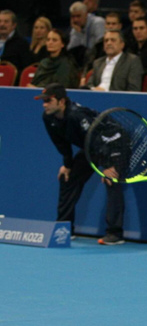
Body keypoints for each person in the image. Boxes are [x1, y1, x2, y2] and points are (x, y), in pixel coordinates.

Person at [36, 83, 126, 245]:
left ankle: (115, 233)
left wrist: (109, 165)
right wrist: (68, 164)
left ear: (61, 101)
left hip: (114, 142)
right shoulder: (48, 117)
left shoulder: (76, 116)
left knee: (111, 181)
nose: (44, 105)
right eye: (43, 101)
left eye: (48, 100)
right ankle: (64, 229)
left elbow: (100, 140)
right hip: (91, 145)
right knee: (67, 179)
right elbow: (61, 143)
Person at [67, 1, 105, 68]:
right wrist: (78, 33)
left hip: (99, 61)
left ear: (86, 14)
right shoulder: (75, 28)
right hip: (84, 63)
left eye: (78, 16)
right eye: (73, 17)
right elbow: (71, 50)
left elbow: (100, 47)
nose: (75, 20)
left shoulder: (98, 23)